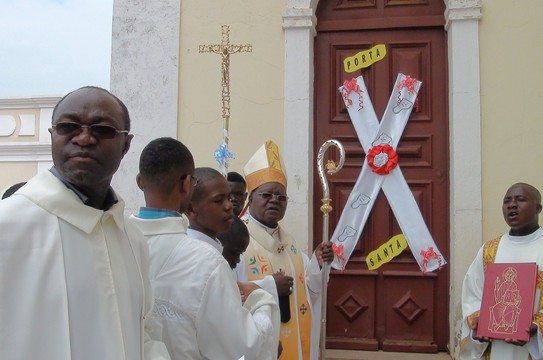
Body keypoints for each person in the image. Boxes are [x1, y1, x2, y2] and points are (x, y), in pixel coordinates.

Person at [0, 86, 169, 360]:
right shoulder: (7, 226)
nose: (84, 138)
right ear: (52, 136)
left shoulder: (132, 238)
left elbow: (144, 331)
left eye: (102, 129)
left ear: (126, 144)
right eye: (68, 127)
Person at [128, 138, 280, 360]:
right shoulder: (205, 261)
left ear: (140, 182)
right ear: (187, 185)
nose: (228, 206)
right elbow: (245, 347)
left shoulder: (118, 240)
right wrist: (261, 300)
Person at [460, 182, 543, 359]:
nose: (512, 205)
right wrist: (478, 321)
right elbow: (472, 295)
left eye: (520, 199)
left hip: (534, 349)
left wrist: (539, 327)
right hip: (496, 348)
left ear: (538, 208)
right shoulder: (489, 251)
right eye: (507, 201)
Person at [241, 140, 334, 360]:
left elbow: (310, 290)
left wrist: (318, 263)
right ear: (250, 197)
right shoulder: (237, 240)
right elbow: (230, 294)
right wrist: (271, 286)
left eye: (281, 197)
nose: (275, 200)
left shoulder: (289, 244)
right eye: (267, 195)